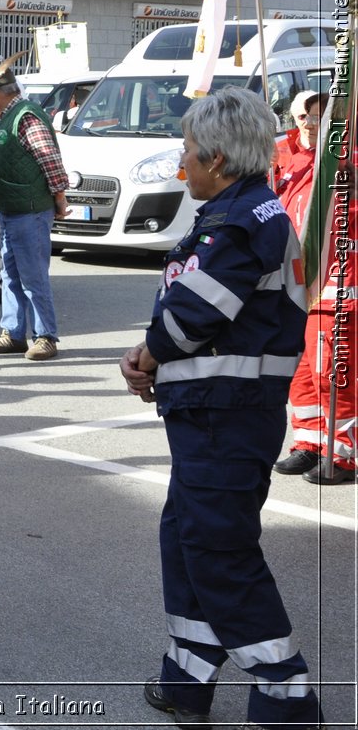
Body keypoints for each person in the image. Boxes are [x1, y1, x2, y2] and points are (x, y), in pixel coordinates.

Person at [118, 87, 321, 730]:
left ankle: (288, 703)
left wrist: (148, 357)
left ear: (219, 158)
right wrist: (157, 357)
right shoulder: (247, 211)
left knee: (218, 551)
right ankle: (188, 679)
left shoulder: (238, 221)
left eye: (188, 158)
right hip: (217, 412)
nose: (184, 169)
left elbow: (192, 317)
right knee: (188, 540)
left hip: (226, 416)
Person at [274, 91, 353, 483]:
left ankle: (342, 452)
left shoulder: (346, 166)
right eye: (306, 114)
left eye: (322, 116)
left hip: (336, 286)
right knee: (302, 372)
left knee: (332, 373)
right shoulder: (292, 161)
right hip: (296, 285)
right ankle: (308, 443)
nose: (312, 122)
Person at [0, 62, 68, 361]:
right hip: (12, 209)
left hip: (29, 211)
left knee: (33, 277)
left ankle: (45, 337)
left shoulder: (25, 116)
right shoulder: (12, 116)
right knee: (12, 274)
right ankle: (14, 334)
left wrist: (60, 197)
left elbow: (49, 159)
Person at [270, 90, 324, 200]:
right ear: (294, 119)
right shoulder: (280, 150)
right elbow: (265, 191)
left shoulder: (341, 152)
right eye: (302, 117)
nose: (309, 124)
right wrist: (271, 169)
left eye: (316, 117)